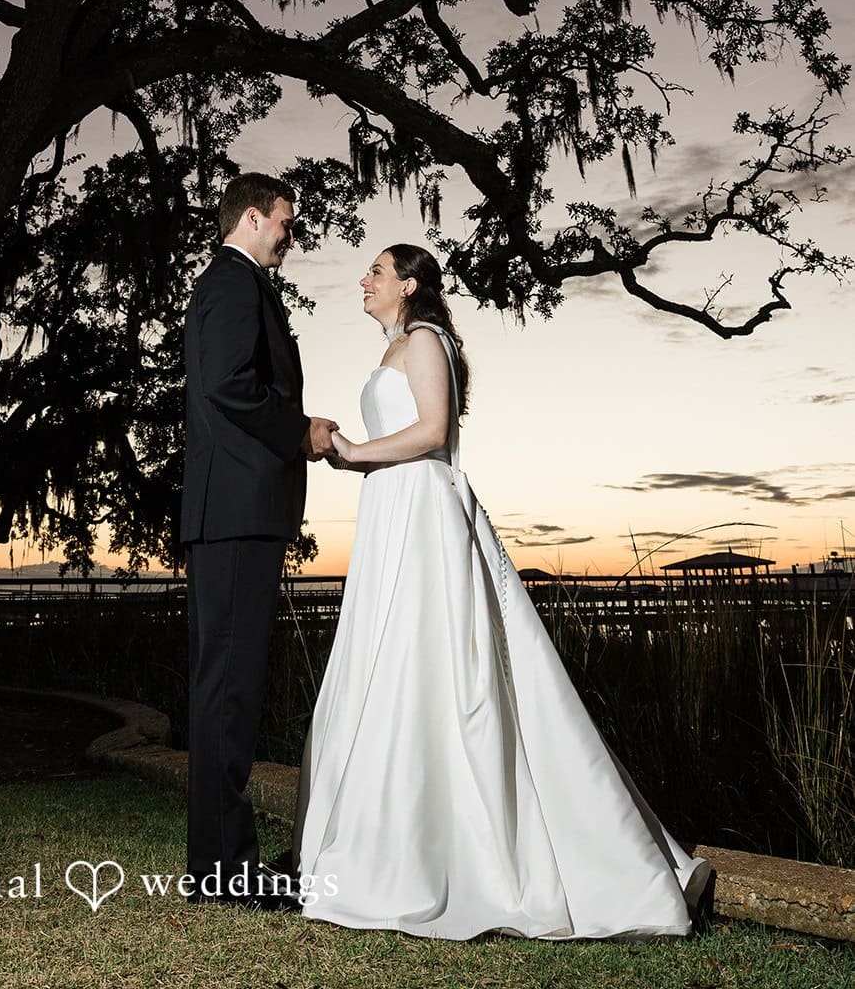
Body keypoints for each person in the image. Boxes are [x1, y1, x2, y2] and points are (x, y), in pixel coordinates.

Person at [290, 242, 714, 939]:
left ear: (410, 283)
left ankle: (521, 862)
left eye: (375, 270)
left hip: (423, 512)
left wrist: (355, 452)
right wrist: (357, 459)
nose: (361, 279)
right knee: (392, 658)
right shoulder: (397, 347)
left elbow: (431, 432)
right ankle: (382, 839)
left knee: (436, 662)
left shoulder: (426, 340)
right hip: (393, 508)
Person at [180, 172, 339, 912]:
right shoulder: (233, 283)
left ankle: (220, 861)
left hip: (238, 512)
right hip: (238, 511)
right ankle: (223, 872)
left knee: (229, 687)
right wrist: (298, 430)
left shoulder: (234, 284)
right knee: (228, 689)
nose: (290, 233)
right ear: (252, 216)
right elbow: (227, 386)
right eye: (285, 220)